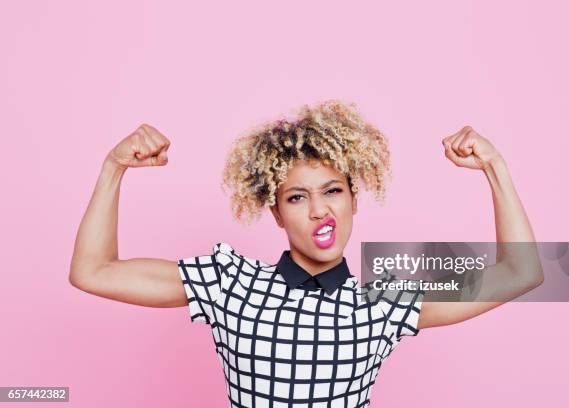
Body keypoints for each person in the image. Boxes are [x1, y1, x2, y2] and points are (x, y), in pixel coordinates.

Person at [69, 100, 544, 407]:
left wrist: (494, 167)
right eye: (297, 197)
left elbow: (522, 272)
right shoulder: (229, 284)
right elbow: (94, 271)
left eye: (332, 190)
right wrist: (114, 168)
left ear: (354, 200)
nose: (320, 210)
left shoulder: (384, 302)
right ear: (275, 214)